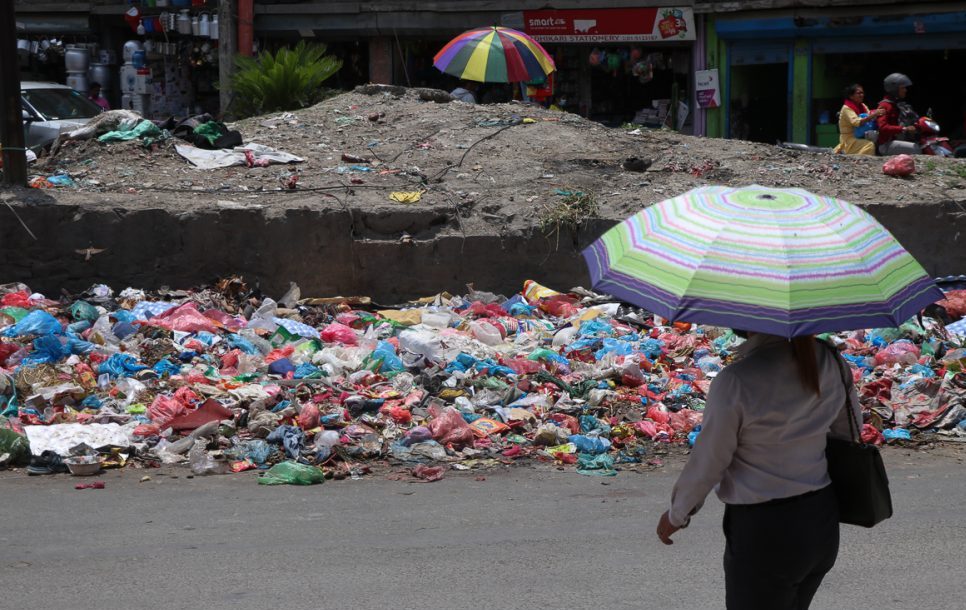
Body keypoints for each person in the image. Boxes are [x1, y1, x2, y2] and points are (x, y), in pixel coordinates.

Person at [656, 331, 860, 610]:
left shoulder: (736, 380)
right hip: (820, 520)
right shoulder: (829, 360)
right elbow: (849, 433)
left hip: (766, 533)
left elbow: (710, 460)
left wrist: (677, 513)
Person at [876, 73, 919, 155]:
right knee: (914, 148)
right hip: (886, 144)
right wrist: (904, 129)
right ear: (894, 89)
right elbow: (883, 127)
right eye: (902, 88)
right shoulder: (884, 105)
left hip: (898, 141)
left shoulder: (898, 104)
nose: (905, 90)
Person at [833, 84, 882, 155]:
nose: (862, 95)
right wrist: (873, 115)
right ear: (851, 96)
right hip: (849, 139)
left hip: (862, 136)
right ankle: (857, 163)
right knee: (869, 145)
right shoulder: (846, 108)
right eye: (859, 93)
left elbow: (870, 117)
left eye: (862, 93)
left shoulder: (863, 106)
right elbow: (856, 122)